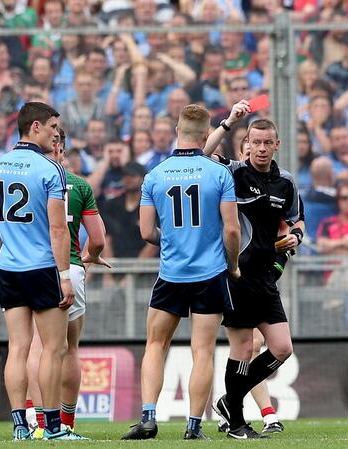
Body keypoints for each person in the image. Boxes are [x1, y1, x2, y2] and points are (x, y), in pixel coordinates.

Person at [120, 104, 241, 441]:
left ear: (177, 131)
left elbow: (146, 232)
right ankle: (193, 426)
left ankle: (147, 418)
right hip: (210, 272)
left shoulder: (154, 175)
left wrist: (171, 239)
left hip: (171, 273)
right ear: (206, 135)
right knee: (201, 350)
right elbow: (231, 230)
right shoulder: (219, 174)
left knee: (156, 344)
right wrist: (232, 265)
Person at [203, 104, 303, 439]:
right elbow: (201, 153)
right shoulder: (231, 172)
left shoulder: (286, 182)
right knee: (244, 347)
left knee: (282, 347)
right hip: (236, 274)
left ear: (277, 145)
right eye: (255, 142)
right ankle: (236, 421)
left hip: (266, 276)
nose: (260, 148)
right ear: (246, 144)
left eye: (267, 143)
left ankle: (230, 401)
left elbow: (297, 220)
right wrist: (229, 121)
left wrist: (296, 236)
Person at [0, 102, 80, 440]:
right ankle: (53, 427)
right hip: (41, 267)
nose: (57, 134)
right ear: (34, 127)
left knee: (18, 348)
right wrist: (65, 276)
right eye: (53, 127)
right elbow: (58, 229)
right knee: (54, 348)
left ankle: (20, 426)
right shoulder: (49, 169)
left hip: (9, 268)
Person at [24, 127, 109, 439]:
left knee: (36, 346)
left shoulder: (20, 175)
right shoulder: (77, 185)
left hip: (26, 268)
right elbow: (98, 238)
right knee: (68, 349)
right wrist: (91, 255)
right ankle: (65, 423)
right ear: (61, 149)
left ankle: (36, 422)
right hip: (68, 268)